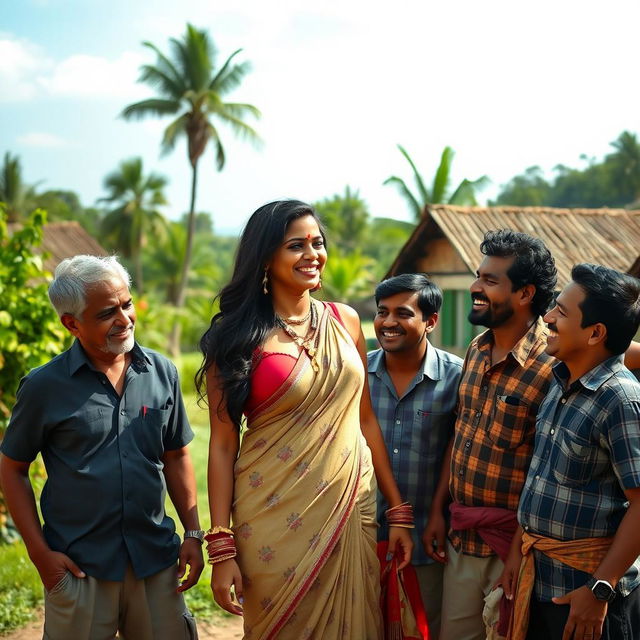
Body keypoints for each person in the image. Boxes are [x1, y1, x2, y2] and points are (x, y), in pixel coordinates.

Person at [197, 199, 413, 639]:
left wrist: (399, 508)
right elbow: (222, 445)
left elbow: (366, 421)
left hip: (352, 506)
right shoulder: (236, 337)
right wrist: (221, 548)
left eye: (318, 242)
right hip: (273, 515)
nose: (313, 254)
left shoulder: (345, 320)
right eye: (297, 245)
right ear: (266, 257)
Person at [0, 255, 203, 640]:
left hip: (156, 563)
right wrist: (40, 554)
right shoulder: (44, 387)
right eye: (107, 312)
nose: (124, 319)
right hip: (81, 568)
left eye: (126, 305)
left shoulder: (162, 373)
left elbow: (175, 455)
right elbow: (12, 468)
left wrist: (193, 535)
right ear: (71, 323)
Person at [507, 264, 640, 640]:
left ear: (596, 333)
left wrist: (600, 589)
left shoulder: (621, 399)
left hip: (588, 598)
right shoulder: (560, 380)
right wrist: (519, 548)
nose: (547, 318)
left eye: (562, 312)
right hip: (542, 584)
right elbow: (541, 475)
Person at [369, 273, 463, 640]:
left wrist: (439, 513)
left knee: (424, 630)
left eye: (403, 313)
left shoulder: (457, 378)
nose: (388, 322)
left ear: (431, 321)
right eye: (382, 312)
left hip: (428, 542)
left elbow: (456, 451)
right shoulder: (356, 373)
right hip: (360, 539)